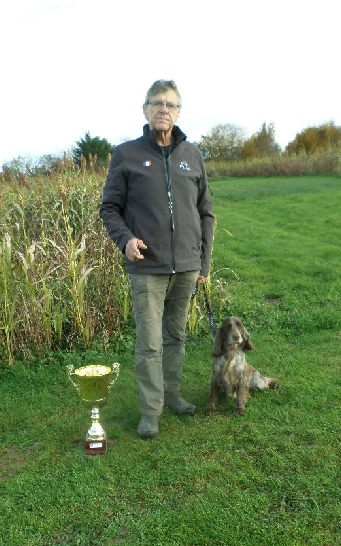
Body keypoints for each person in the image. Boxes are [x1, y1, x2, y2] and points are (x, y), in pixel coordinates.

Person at [99, 79, 214, 439]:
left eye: (171, 104)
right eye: (157, 103)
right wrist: (126, 240)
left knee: (175, 336)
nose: (163, 109)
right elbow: (110, 208)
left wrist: (203, 264)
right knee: (149, 342)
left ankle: (172, 394)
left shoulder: (192, 154)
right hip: (147, 266)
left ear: (179, 112)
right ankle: (151, 411)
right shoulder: (127, 154)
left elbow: (206, 212)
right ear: (145, 110)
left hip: (186, 266)